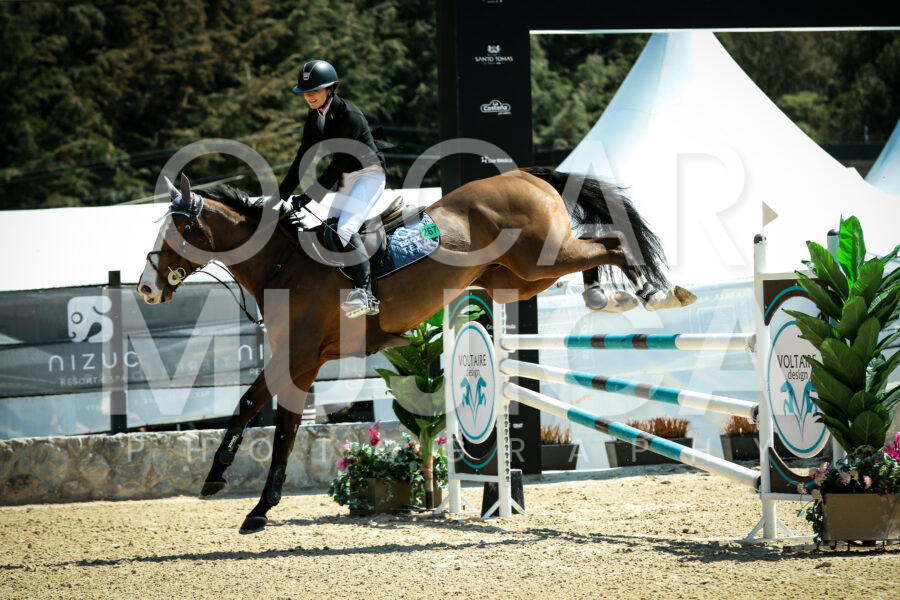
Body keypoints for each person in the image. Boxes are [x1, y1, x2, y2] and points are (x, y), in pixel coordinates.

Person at [279, 59, 387, 318]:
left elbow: (338, 163)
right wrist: (279, 196)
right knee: (330, 229)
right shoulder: (314, 117)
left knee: (345, 229)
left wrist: (309, 196)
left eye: (315, 91)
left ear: (330, 89)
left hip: (369, 175)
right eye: (306, 92)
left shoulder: (350, 116)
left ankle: (366, 293)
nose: (309, 96)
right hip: (349, 177)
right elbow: (303, 158)